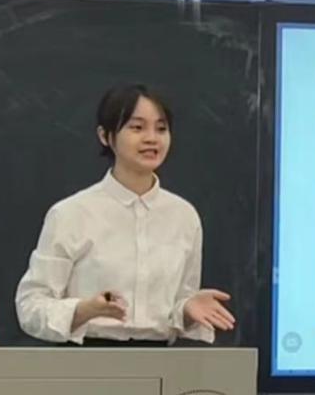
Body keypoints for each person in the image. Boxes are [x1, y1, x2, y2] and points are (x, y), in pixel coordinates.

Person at [15, 83, 235, 347]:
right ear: (105, 136)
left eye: (161, 129)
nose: (151, 139)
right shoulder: (71, 214)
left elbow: (175, 308)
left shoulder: (184, 216)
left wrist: (186, 310)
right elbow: (31, 306)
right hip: (86, 358)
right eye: (137, 127)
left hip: (160, 362)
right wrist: (85, 310)